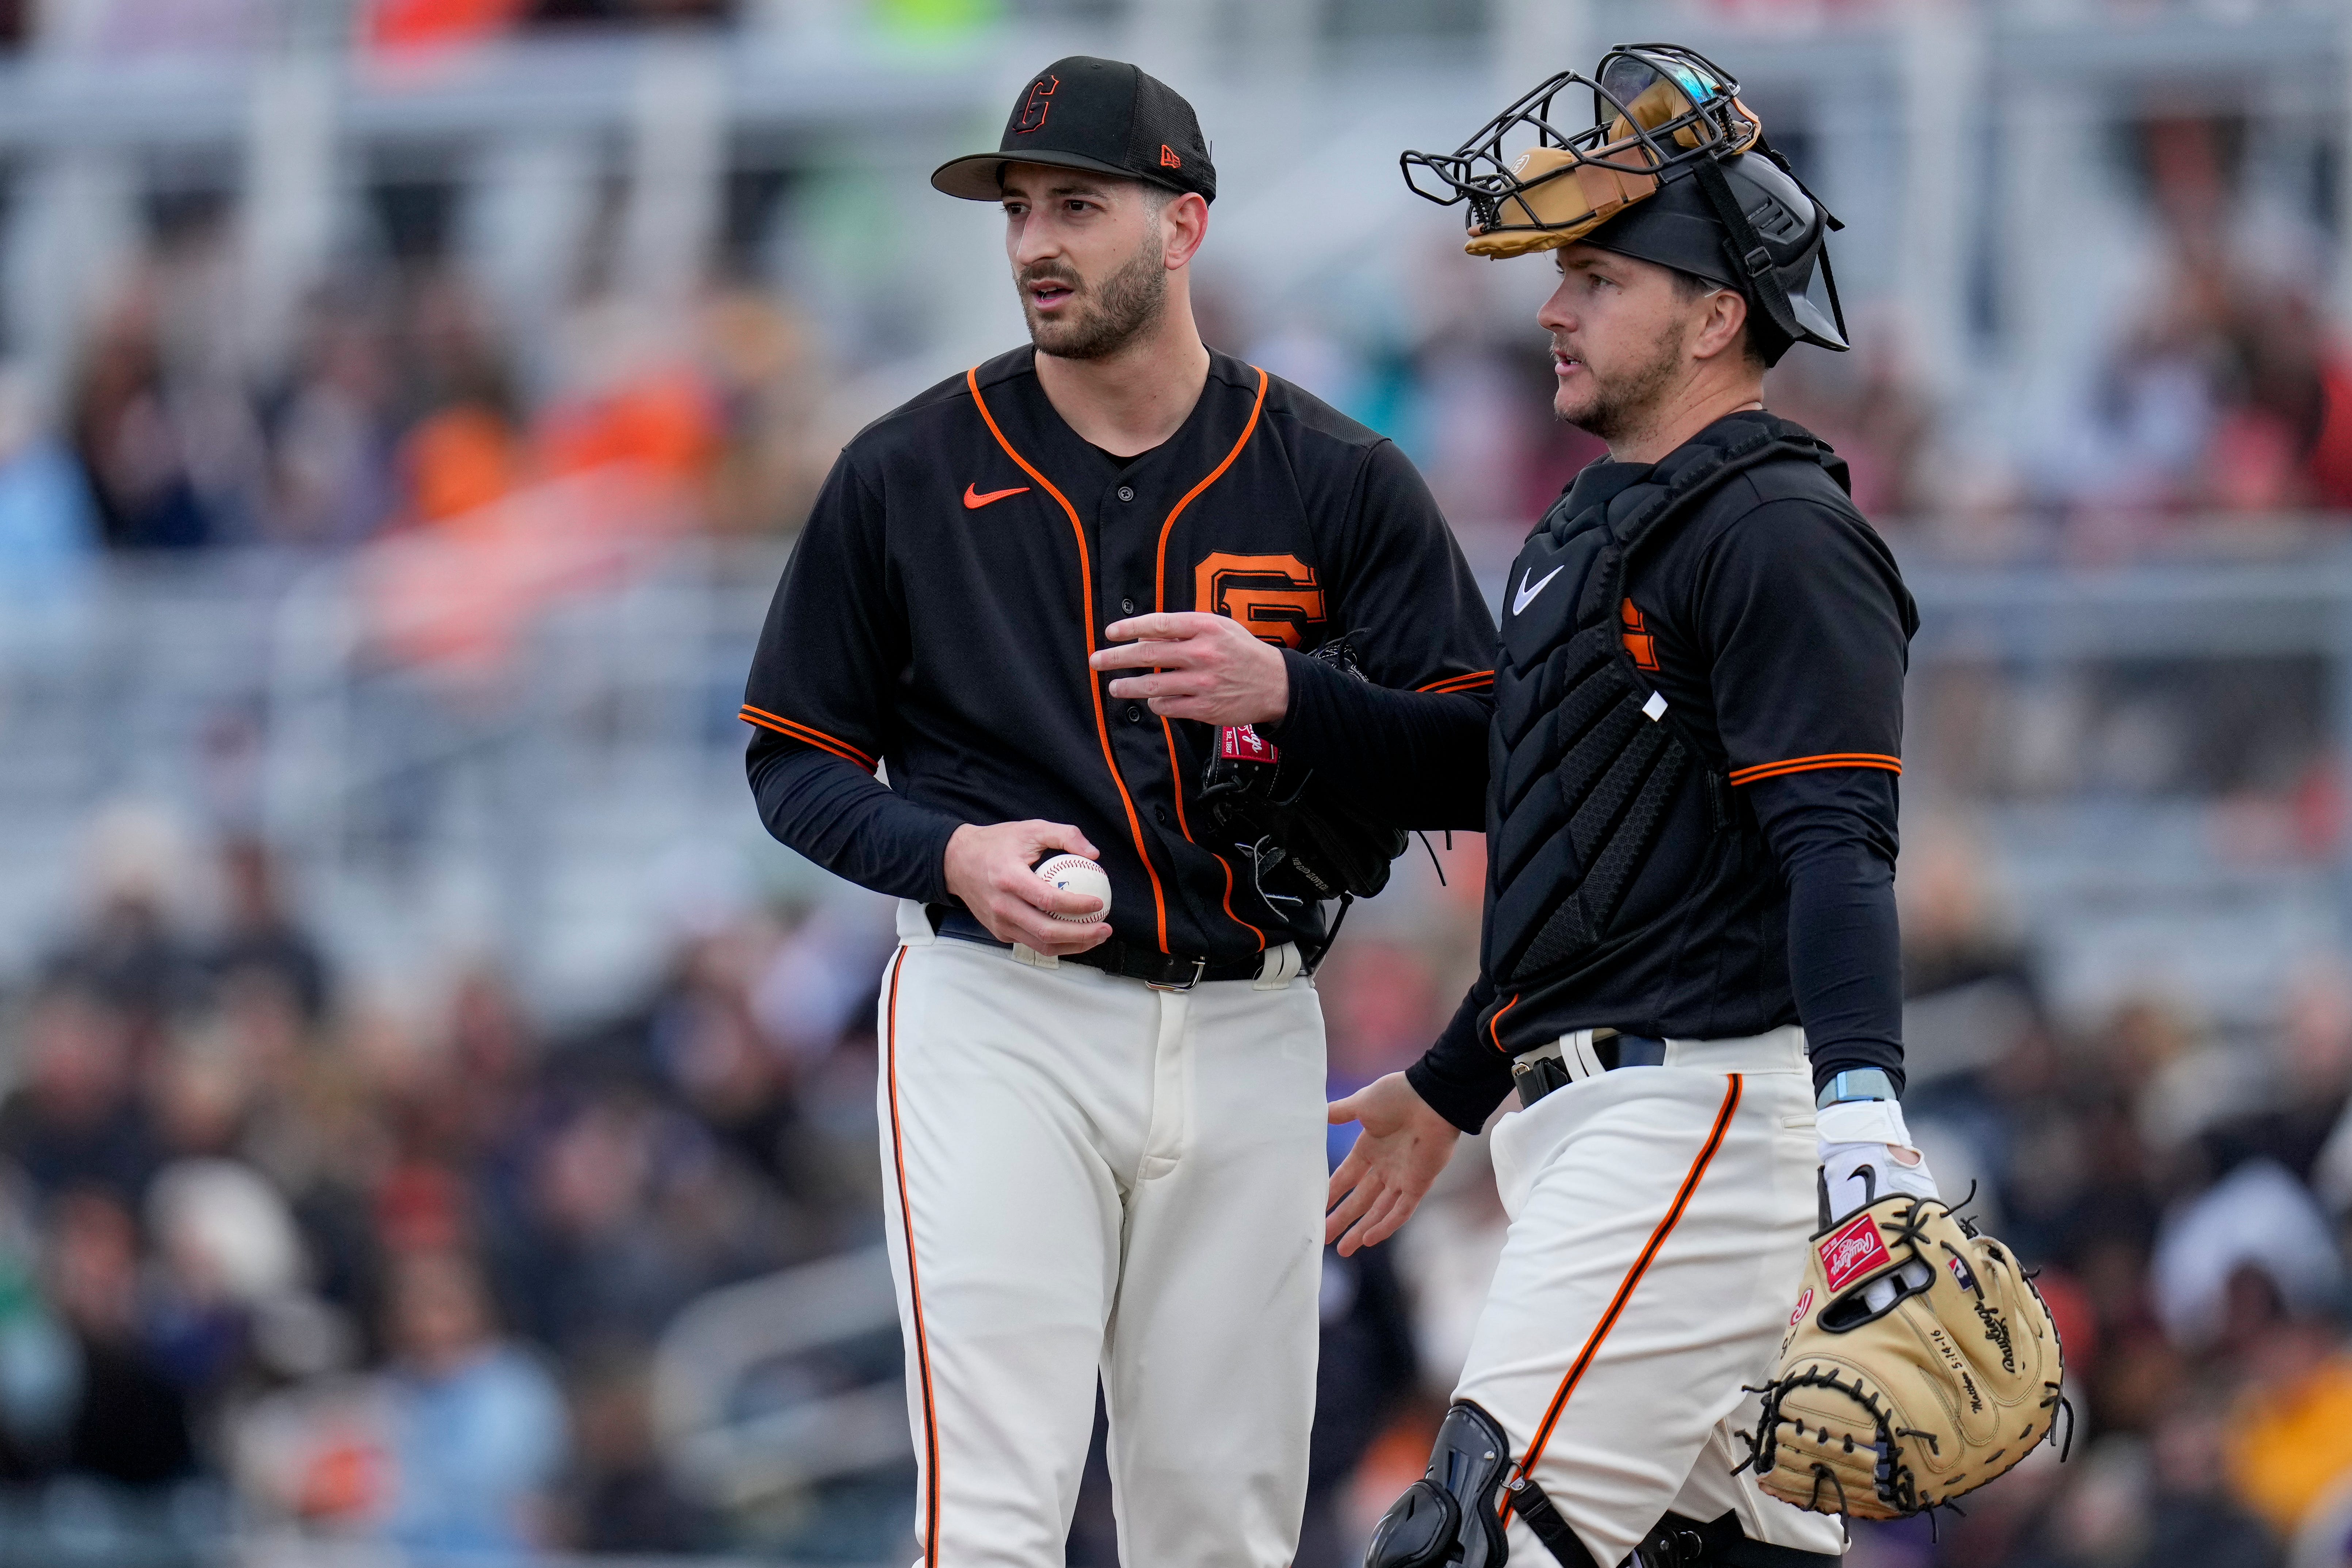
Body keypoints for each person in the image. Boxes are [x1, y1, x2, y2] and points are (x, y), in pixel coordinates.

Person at [738, 56, 1495, 1568]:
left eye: (1076, 204)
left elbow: (1483, 755)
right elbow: (791, 760)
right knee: (994, 1521)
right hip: (996, 1015)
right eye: (1015, 210)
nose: (1033, 242)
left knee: (1220, 1533)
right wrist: (946, 850)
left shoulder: (1336, 476)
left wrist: (1295, 698)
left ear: (1183, 225)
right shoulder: (904, 471)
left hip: (1253, 1018)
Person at [1321, 45, 1936, 1568]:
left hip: (1697, 1122)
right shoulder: (1588, 530)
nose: (1551, 304)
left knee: (1462, 1540)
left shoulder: (1778, 531)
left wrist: (1866, 1112)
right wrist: (1456, 1078)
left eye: (1597, 273)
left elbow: (1834, 847)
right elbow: (1579, 854)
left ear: (1715, 313)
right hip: (1599, 1116)